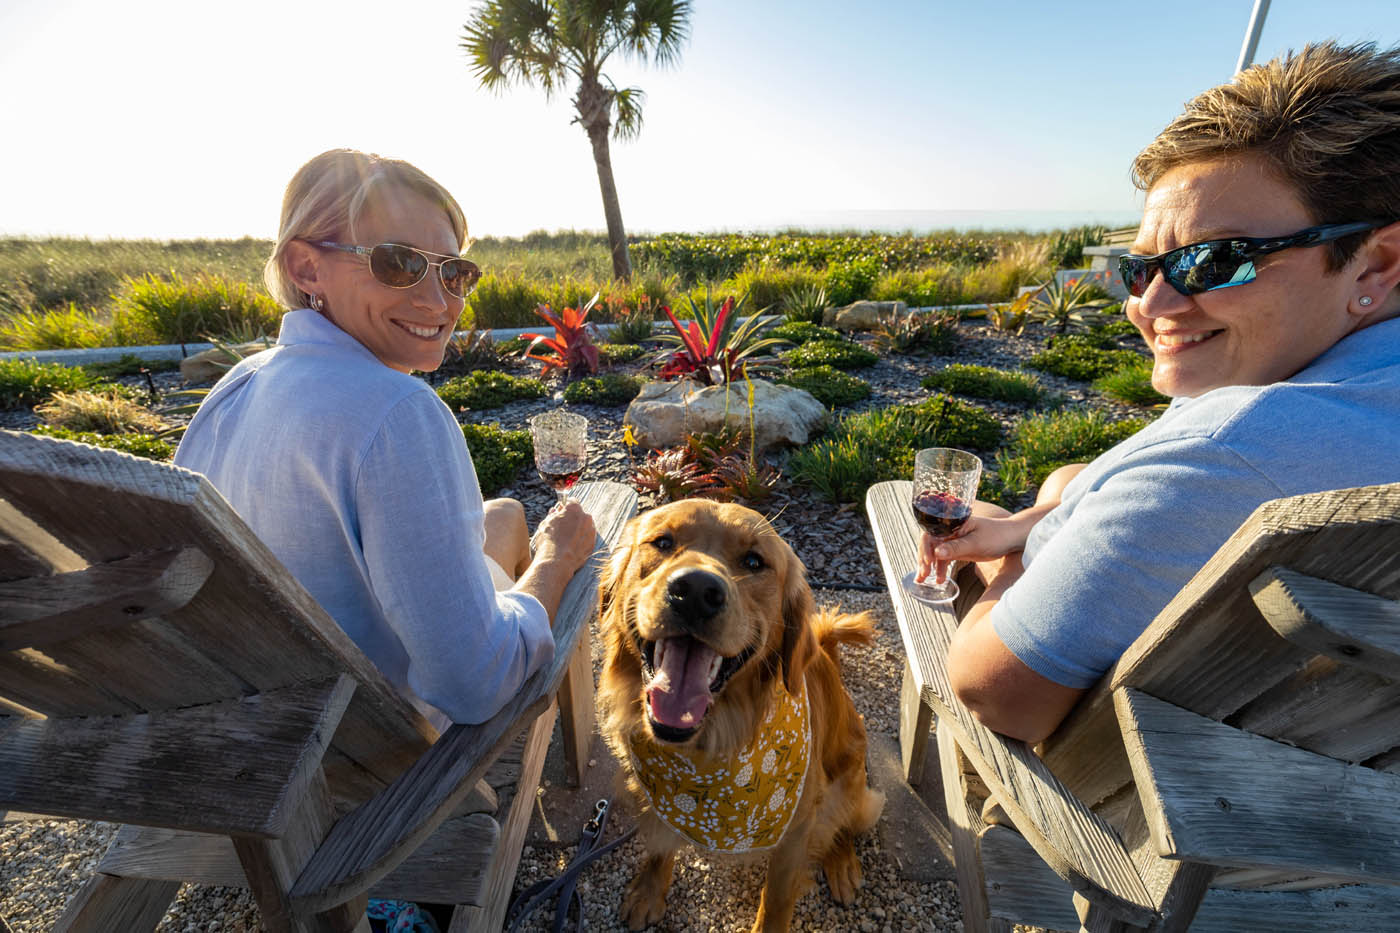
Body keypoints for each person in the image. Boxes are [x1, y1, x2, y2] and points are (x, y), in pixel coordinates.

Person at [918, 41, 1400, 744]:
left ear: (1376, 263)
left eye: (1218, 259)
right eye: (1142, 267)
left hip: (1179, 797)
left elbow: (994, 690)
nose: (1149, 305)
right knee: (1064, 479)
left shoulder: (1232, 455)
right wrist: (1041, 519)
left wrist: (1019, 557)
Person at [175, 148, 596, 728]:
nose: (438, 300)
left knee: (502, 515)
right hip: (369, 743)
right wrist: (556, 558)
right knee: (553, 541)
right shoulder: (397, 415)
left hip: (260, 711)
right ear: (306, 267)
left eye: (455, 273)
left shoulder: (237, 387)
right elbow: (474, 683)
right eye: (397, 263)